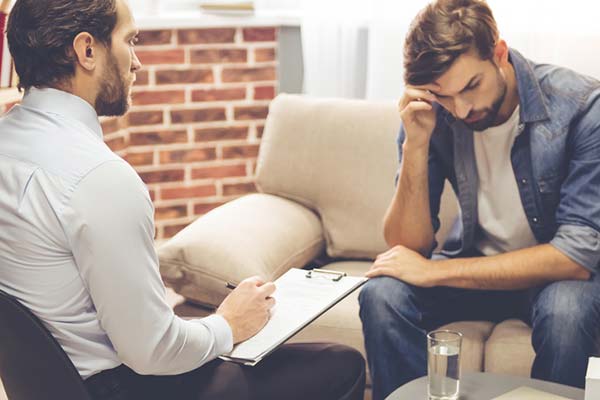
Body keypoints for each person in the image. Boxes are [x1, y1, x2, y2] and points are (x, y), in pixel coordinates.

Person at [0, 0, 365, 399]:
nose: (136, 62)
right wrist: (229, 322)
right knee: (340, 363)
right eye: (130, 41)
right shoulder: (99, 179)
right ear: (87, 50)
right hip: (119, 389)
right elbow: (153, 352)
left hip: (44, 387)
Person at [358, 0, 600, 398]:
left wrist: (434, 272)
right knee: (381, 293)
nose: (463, 108)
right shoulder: (434, 113)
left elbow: (573, 257)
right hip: (474, 269)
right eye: (444, 95)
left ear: (499, 53)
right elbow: (408, 245)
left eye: (471, 86)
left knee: (568, 312)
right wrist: (416, 145)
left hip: (552, 279)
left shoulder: (581, 108)